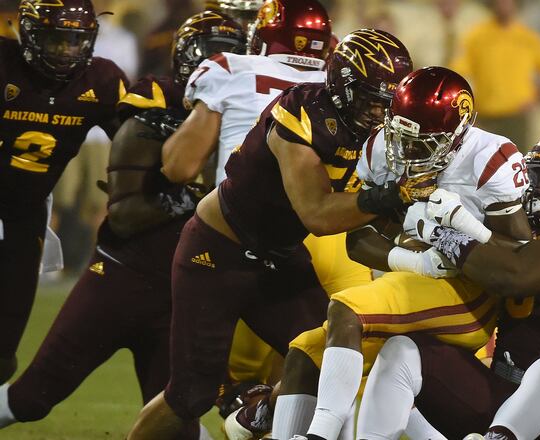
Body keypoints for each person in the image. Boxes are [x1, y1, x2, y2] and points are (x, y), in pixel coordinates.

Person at [125, 28, 413, 440]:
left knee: (329, 358)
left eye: (387, 103)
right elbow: (317, 214)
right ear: (344, 87)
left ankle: (258, 413)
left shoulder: (374, 131)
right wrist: (389, 196)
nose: (379, 112)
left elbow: (362, 219)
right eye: (371, 100)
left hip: (278, 254)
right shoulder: (301, 112)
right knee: (191, 394)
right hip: (219, 249)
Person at [0, 11, 246, 437]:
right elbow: (127, 212)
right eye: (210, 57)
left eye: (232, 58)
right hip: (121, 275)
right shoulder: (156, 100)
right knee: (33, 395)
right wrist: (183, 192)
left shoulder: (257, 117)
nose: (221, 68)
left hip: (182, 287)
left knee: (178, 417)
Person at [271, 66, 532, 440]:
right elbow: (356, 239)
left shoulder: (490, 158)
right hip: (413, 280)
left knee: (346, 308)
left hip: (469, 292)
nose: (405, 151)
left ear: (456, 136)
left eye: (421, 143)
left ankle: (319, 437)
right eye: (401, 136)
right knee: (304, 352)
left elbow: (520, 258)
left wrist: (462, 231)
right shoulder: (380, 146)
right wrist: (414, 259)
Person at [159, 2, 369, 436]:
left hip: (270, 226)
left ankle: (250, 416)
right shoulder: (350, 95)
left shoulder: (232, 68)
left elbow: (178, 166)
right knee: (330, 360)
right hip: (324, 231)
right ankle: (256, 417)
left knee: (211, 386)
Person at [354, 131, 540, 440]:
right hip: (502, 390)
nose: (536, 188)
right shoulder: (517, 229)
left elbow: (516, 274)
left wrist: (440, 233)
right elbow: (497, 252)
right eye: (532, 175)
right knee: (402, 351)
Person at [0, 0, 128, 384]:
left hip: (25, 212)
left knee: (4, 348)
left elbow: (136, 138)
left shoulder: (102, 80)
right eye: (56, 40)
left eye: (76, 41)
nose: (66, 51)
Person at [451, 0, 540, 150]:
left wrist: (537, 97)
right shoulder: (477, 36)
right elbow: (458, 72)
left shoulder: (528, 38)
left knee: (513, 163)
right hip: (485, 116)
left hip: (516, 116)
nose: (504, 5)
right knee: (482, 163)